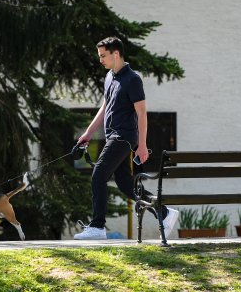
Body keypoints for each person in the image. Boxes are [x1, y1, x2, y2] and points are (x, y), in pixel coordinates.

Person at [73, 37, 179, 240]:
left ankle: (97, 226)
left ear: (116, 54)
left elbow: (142, 113)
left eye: (103, 56)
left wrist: (142, 145)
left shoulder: (132, 79)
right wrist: (88, 133)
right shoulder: (109, 77)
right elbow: (105, 108)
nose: (101, 60)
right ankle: (164, 212)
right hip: (113, 136)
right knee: (125, 185)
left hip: (124, 137)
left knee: (98, 175)